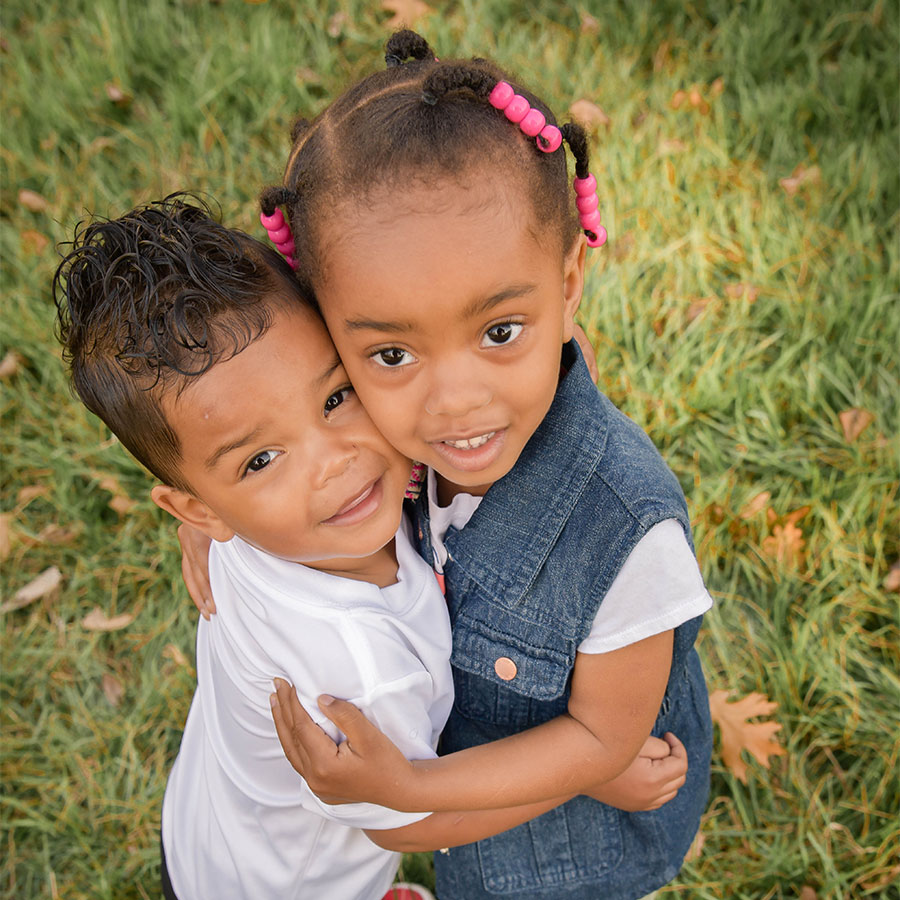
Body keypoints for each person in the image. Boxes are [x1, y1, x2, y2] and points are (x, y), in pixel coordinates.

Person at [54, 196, 688, 900]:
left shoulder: (273, 524)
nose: (335, 463)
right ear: (199, 510)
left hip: (213, 829)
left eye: (334, 399)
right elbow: (404, 819)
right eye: (262, 460)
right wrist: (597, 772)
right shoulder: (357, 670)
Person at [256, 30, 715, 900]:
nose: (454, 403)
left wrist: (408, 790)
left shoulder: (625, 537)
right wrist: (211, 517)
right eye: (392, 353)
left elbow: (603, 741)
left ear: (569, 282)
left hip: (570, 857)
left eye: (501, 333)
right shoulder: (362, 433)